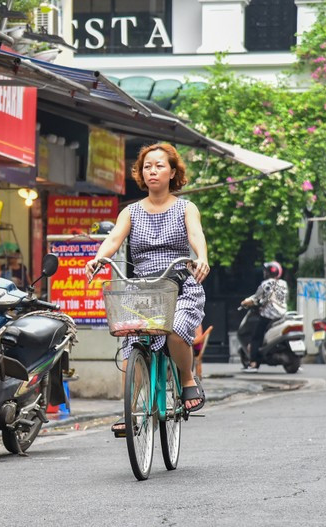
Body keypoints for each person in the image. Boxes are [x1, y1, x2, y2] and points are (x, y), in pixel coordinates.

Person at [84, 143, 210, 435]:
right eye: (147, 167)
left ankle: (188, 380)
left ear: (172, 172)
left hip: (179, 286)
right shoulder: (131, 212)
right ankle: (131, 410)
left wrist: (201, 258)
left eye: (159, 166)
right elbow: (114, 239)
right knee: (130, 347)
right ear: (141, 174)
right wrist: (98, 259)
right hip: (143, 291)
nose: (152, 171)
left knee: (177, 330)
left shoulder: (186, 207)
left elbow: (196, 236)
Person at [240, 261, 288, 372]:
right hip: (282, 315)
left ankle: (253, 363)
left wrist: (245, 302)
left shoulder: (265, 284)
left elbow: (256, 298)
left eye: (265, 271)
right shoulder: (283, 284)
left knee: (256, 337)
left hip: (269, 315)